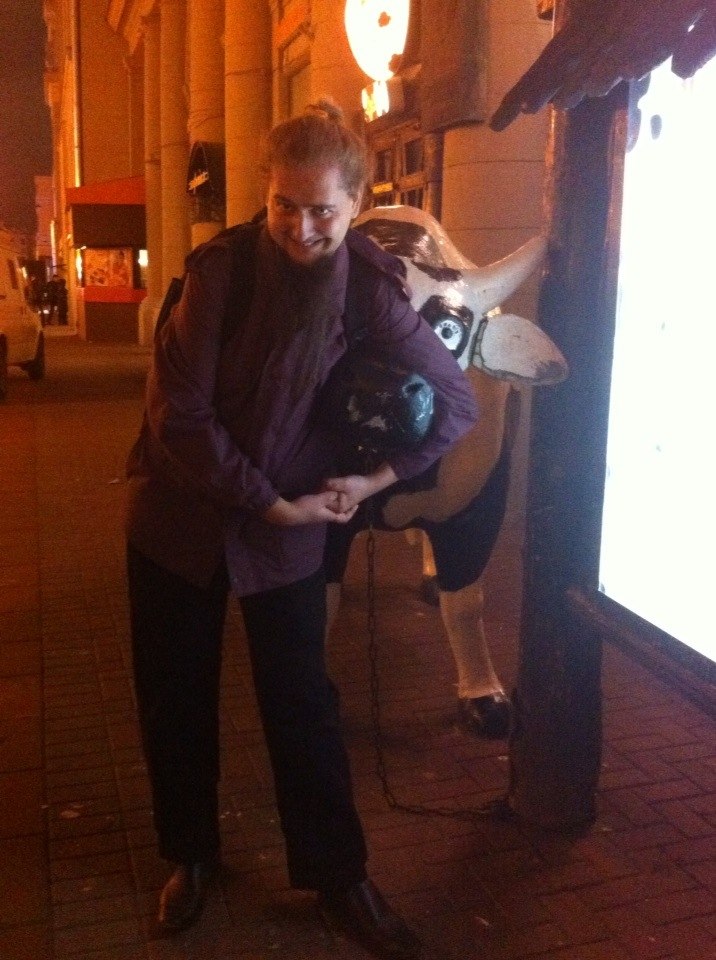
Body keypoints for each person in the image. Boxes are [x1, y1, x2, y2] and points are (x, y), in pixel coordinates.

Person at [125, 99, 478, 958]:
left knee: (303, 706)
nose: (302, 226)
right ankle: (190, 856)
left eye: (322, 208)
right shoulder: (222, 271)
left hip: (286, 532)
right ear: (266, 193)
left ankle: (337, 876)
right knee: (176, 696)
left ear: (356, 201)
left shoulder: (369, 289)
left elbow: (456, 401)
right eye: (284, 204)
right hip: (179, 518)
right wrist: (271, 502)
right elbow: (180, 416)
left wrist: (376, 479)